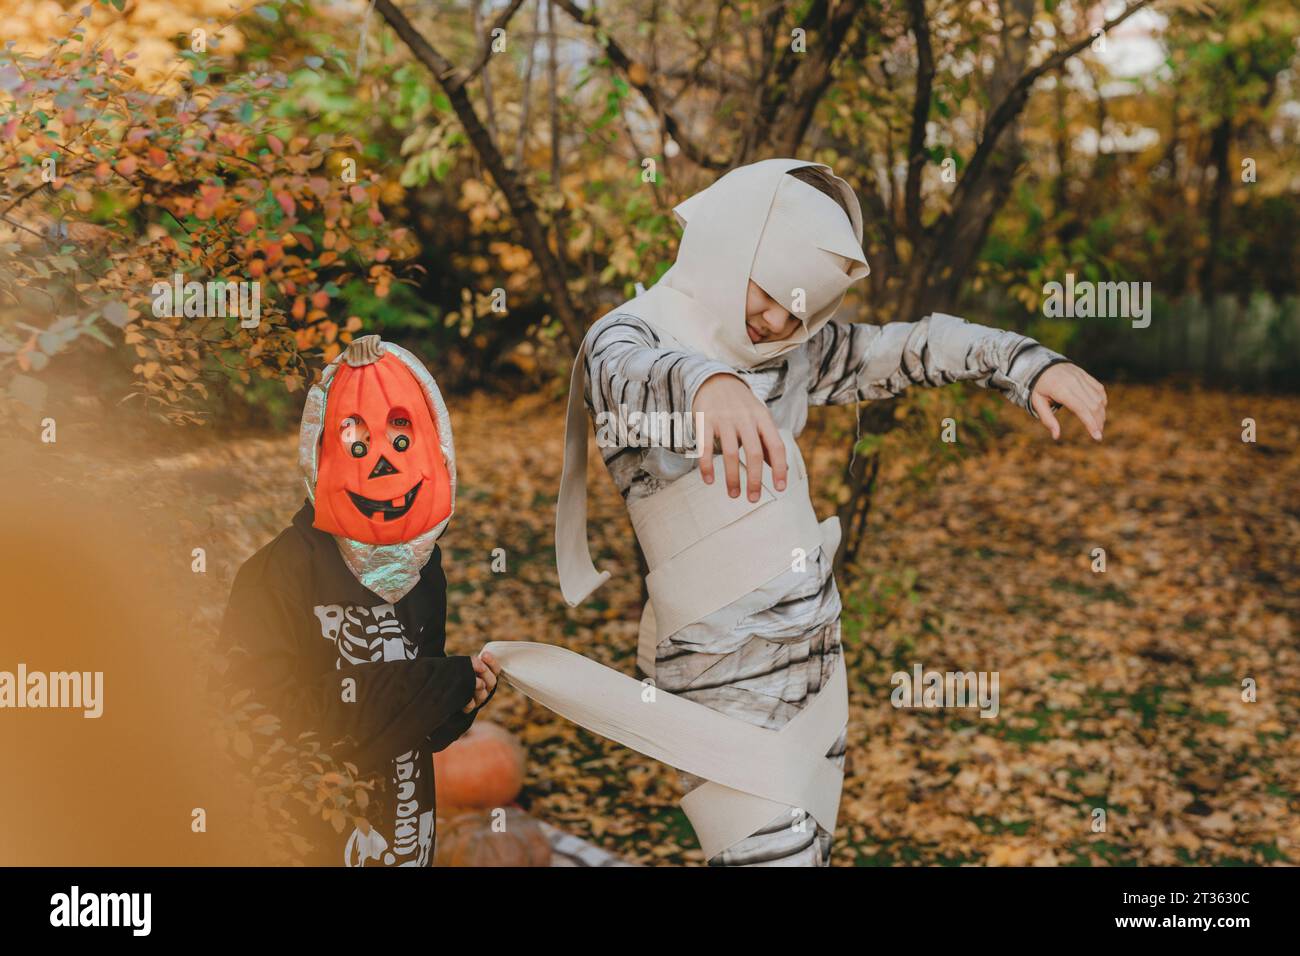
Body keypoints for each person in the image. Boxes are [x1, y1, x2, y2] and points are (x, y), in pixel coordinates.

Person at [555, 158, 1106, 866]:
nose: (780, 321)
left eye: (802, 308)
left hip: (819, 662)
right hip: (725, 679)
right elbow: (626, 377)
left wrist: (1022, 362)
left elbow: (907, 347)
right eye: (770, 293)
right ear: (727, 242)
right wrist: (708, 383)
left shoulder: (793, 352)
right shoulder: (629, 337)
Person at [220, 334, 501, 867]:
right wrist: (439, 682)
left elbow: (407, 719)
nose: (383, 466)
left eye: (402, 442)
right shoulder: (276, 575)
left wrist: (455, 705)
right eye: (356, 445)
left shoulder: (423, 572)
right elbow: (267, 723)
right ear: (321, 453)